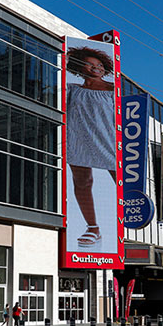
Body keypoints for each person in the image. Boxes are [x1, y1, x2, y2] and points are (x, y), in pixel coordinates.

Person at [65, 45, 117, 248]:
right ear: (79, 66)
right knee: (82, 183)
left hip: (108, 142)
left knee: (122, 184)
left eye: (100, 64)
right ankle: (93, 228)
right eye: (90, 64)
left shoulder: (114, 90)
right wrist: (67, 56)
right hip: (78, 142)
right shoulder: (72, 89)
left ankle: (133, 218)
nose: (96, 68)